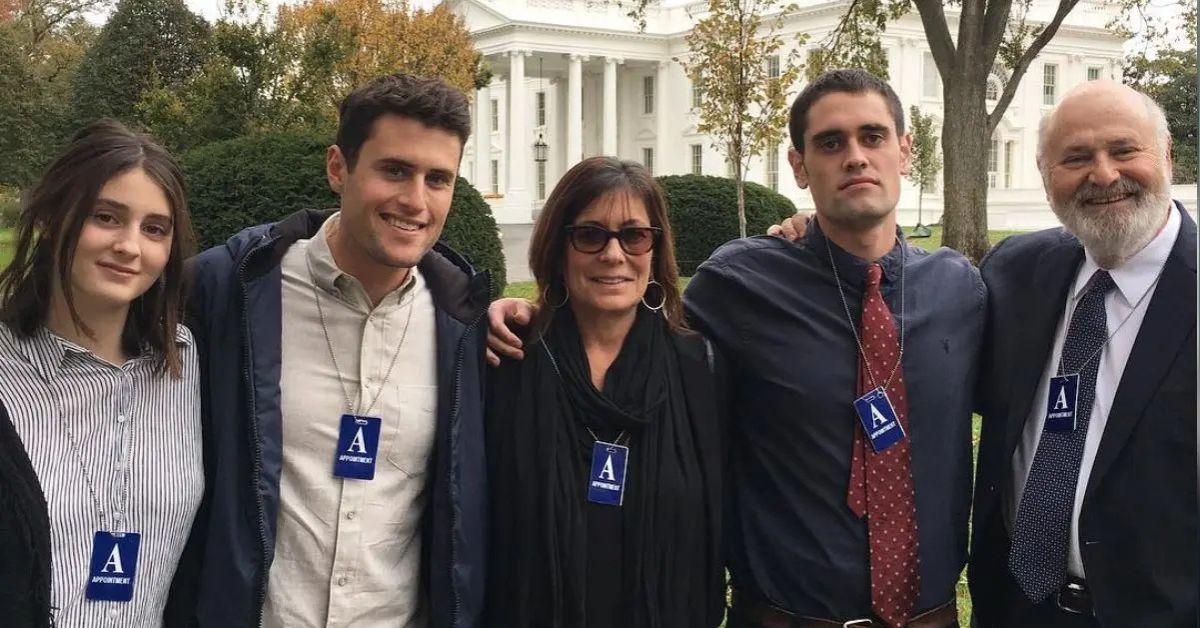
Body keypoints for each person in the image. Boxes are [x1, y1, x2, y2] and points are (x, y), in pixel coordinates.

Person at [489, 69, 981, 627]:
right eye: (830, 143)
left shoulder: (961, 291)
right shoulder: (741, 284)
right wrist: (531, 312)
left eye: (873, 136)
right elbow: (634, 318)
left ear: (905, 150)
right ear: (799, 165)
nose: (855, 157)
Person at [185, 73, 490, 627]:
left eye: (438, 179)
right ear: (337, 168)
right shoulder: (230, 292)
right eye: (394, 170)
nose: (415, 201)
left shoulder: (464, 326)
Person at [969, 80, 1197, 627]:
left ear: (1166, 155)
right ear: (1045, 175)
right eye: (1076, 158)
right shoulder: (1013, 273)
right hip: (1014, 609)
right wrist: (820, 248)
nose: (1104, 174)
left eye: (1124, 150)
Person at [485, 156, 728, 627]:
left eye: (634, 235)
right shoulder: (506, 361)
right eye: (590, 235)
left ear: (656, 249)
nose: (614, 255)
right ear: (558, 247)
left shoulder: (699, 368)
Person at [0, 119, 201, 627]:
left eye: (154, 229)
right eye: (106, 217)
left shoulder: (184, 364)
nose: (130, 246)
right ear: (52, 218)